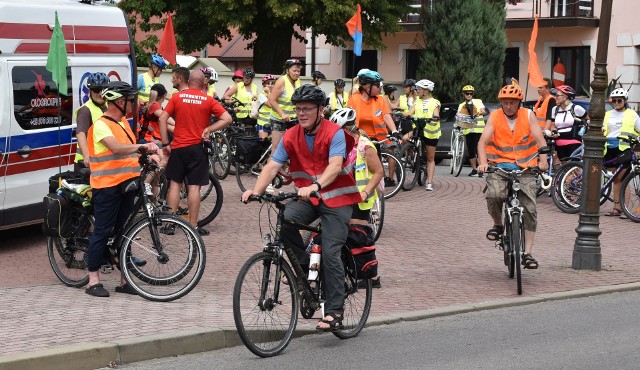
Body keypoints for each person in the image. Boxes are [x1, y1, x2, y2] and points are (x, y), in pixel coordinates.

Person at [242, 85, 361, 331]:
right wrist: (256, 191)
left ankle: (335, 311)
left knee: (330, 251)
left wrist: (316, 184)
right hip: (309, 199)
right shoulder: (291, 135)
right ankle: (308, 269)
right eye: (297, 109)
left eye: (307, 109)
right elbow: (273, 165)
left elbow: (336, 165)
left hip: (337, 200)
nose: (301, 113)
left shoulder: (335, 133)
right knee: (285, 221)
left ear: (320, 110)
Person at [85, 81, 159, 297]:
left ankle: (124, 280)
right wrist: (141, 147)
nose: (134, 104)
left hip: (127, 185)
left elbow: (129, 152)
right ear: (120, 101)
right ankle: (93, 280)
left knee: (125, 232)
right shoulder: (100, 125)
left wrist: (147, 155)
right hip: (106, 186)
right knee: (103, 231)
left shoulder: (124, 123)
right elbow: (116, 149)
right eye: (131, 100)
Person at [477, 84, 549, 269]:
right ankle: (498, 225)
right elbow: (482, 142)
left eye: (512, 103)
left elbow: (540, 141)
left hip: (525, 168)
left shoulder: (527, 115)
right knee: (494, 195)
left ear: (519, 103)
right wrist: (483, 163)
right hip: (499, 166)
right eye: (505, 103)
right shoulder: (494, 116)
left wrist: (543, 161)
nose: (508, 106)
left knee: (530, 209)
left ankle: (528, 253)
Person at [159, 70, 233, 235]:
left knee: (175, 184)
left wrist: (165, 143)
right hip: (197, 148)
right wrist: (209, 129)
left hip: (178, 147)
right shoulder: (208, 100)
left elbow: (162, 118)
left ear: (189, 81)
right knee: (194, 187)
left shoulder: (177, 97)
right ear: (203, 83)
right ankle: (193, 226)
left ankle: (170, 224)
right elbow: (227, 119)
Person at [329, 107, 384, 288]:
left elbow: (378, 172)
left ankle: (371, 277)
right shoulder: (340, 145)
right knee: (343, 234)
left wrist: (365, 192)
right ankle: (349, 270)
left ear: (347, 129)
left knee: (358, 235)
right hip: (343, 196)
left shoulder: (365, 146)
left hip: (361, 199)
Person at [347, 70, 401, 188]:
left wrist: (394, 131)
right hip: (358, 139)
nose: (380, 88)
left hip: (376, 139)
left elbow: (386, 115)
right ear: (367, 86)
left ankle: (377, 191)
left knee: (376, 168)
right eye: (377, 85)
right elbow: (348, 119)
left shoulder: (380, 100)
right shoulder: (354, 99)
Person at [602, 88, 640, 218]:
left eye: (619, 100)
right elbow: (604, 130)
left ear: (625, 101)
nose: (616, 102)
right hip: (610, 148)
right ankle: (616, 207)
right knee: (615, 179)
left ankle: (625, 208)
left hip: (624, 149)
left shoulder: (632, 114)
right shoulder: (608, 114)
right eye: (614, 100)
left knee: (623, 178)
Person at [405, 79, 440, 190]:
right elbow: (410, 113)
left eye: (418, 89)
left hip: (431, 132)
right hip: (419, 129)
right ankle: (412, 158)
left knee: (430, 158)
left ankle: (429, 182)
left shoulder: (435, 102)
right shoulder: (417, 101)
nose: (416, 91)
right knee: (404, 139)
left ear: (426, 91)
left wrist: (435, 117)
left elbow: (436, 113)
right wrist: (401, 114)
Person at [74, 72, 110, 171]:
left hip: (102, 162)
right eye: (96, 90)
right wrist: (86, 157)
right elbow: (81, 134)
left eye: (103, 90)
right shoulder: (85, 110)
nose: (100, 94)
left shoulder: (108, 107)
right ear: (90, 91)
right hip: (86, 164)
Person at [268, 58, 303, 158]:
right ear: (287, 71)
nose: (297, 73)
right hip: (278, 119)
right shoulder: (281, 81)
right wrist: (282, 114)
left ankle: (287, 170)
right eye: (294, 71)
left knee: (295, 147)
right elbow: (272, 99)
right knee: (277, 148)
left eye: (298, 71)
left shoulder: (298, 82)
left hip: (293, 118)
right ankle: (270, 172)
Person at [548, 85, 587, 163]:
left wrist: (584, 129)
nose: (555, 97)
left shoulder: (576, 108)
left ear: (565, 97)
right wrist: (554, 131)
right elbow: (553, 125)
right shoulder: (554, 109)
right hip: (559, 142)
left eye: (557, 95)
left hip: (574, 142)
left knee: (573, 167)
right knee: (564, 168)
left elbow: (590, 120)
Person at [458, 85, 488, 177]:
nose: (469, 95)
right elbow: (459, 117)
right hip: (468, 130)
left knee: (478, 150)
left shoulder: (478, 102)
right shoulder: (461, 105)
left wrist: (479, 112)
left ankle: (481, 170)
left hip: (478, 130)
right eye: (467, 93)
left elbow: (483, 111)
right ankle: (474, 170)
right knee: (471, 150)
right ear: (463, 94)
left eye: (471, 93)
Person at [256, 74, 276, 140]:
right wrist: (268, 92)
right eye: (267, 83)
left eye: (272, 83)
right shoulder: (262, 95)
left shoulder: (276, 94)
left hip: (273, 123)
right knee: (263, 143)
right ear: (264, 85)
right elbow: (270, 104)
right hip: (263, 123)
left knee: (273, 144)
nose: (270, 85)